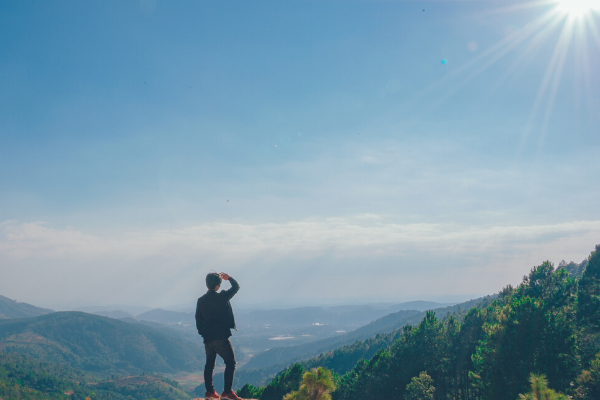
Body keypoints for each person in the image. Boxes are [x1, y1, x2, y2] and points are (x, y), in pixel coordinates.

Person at [196, 272, 241, 400]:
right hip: (221, 337)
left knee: (209, 364)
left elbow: (198, 320)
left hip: (208, 339)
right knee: (231, 363)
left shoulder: (201, 300)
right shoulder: (222, 297)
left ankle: (210, 392)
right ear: (217, 286)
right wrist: (229, 278)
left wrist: (204, 334)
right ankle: (227, 392)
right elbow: (236, 287)